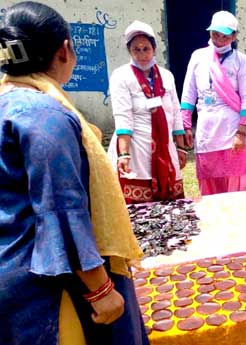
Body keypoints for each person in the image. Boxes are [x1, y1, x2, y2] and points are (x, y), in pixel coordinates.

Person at [0, 2, 146, 345]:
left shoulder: (7, 102)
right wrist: (101, 290)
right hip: (43, 285)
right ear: (65, 49)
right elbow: (60, 210)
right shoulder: (43, 116)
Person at [180, 11, 246, 196]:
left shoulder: (241, 61)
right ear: (209, 32)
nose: (219, 39)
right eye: (215, 34)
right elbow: (189, 93)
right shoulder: (198, 57)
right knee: (211, 182)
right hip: (207, 131)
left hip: (233, 131)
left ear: (234, 35)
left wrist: (241, 132)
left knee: (238, 184)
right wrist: (186, 125)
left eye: (225, 35)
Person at [108, 20, 186, 204]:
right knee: (139, 206)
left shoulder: (166, 76)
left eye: (146, 48)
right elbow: (123, 116)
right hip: (137, 145)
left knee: (171, 204)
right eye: (136, 49)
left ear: (154, 49)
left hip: (164, 144)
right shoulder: (121, 76)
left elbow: (175, 111)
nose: (142, 54)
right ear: (129, 51)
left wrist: (181, 146)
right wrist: (124, 154)